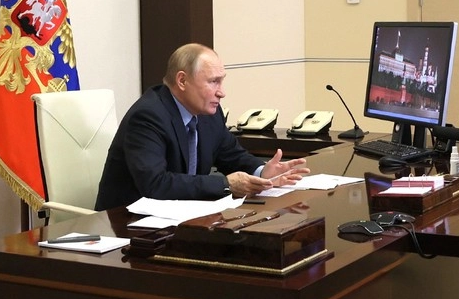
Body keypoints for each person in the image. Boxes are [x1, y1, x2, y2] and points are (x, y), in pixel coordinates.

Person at [95, 43, 309, 208]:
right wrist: (225, 184)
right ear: (182, 81)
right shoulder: (148, 116)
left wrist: (263, 172)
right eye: (213, 82)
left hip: (183, 219)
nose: (222, 92)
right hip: (129, 227)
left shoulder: (208, 114)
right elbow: (155, 184)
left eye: (221, 81)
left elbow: (231, 156)